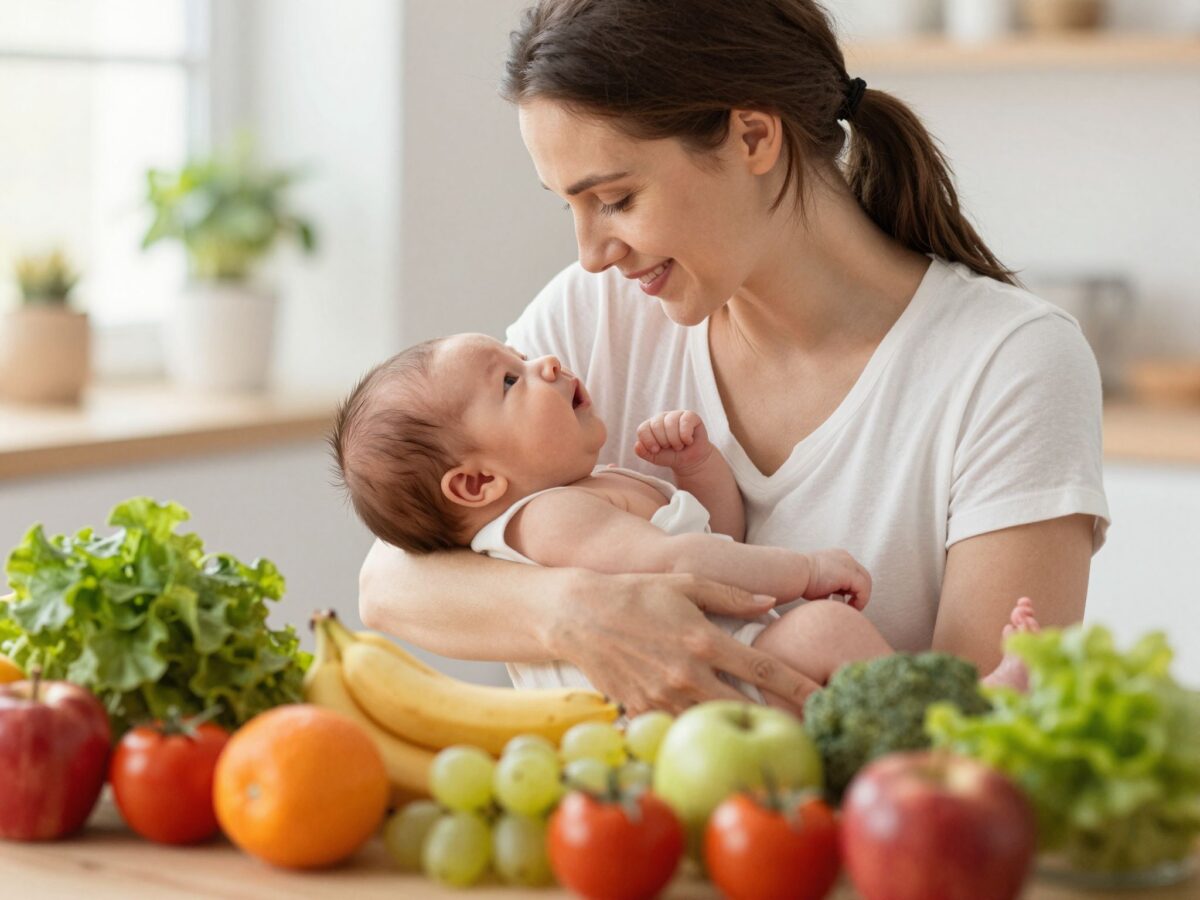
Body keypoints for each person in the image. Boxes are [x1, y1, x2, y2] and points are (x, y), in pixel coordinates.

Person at [356, 0, 1109, 716]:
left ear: (753, 137)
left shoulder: (1010, 364)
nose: (590, 255)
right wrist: (578, 613)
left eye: (614, 199)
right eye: (570, 207)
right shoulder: (595, 316)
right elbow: (389, 581)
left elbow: (973, 739)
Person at [333, 332, 1040, 703]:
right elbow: (682, 564)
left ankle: (948, 726)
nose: (543, 361)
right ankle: (963, 724)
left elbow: (713, 542)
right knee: (824, 625)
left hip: (730, 677)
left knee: (827, 647)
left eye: (519, 356)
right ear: (479, 480)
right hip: (691, 701)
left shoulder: (591, 485)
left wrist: (696, 470)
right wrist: (806, 568)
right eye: (511, 380)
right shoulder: (546, 521)